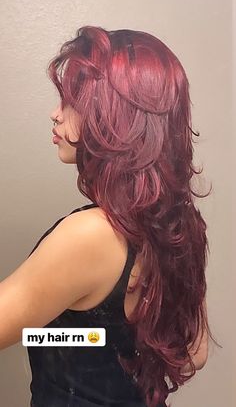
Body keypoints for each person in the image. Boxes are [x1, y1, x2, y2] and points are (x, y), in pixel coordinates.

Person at [0, 26, 219, 407]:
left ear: (114, 114)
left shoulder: (91, 235)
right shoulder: (178, 224)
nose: (55, 114)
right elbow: (193, 354)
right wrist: (73, 333)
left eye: (70, 100)